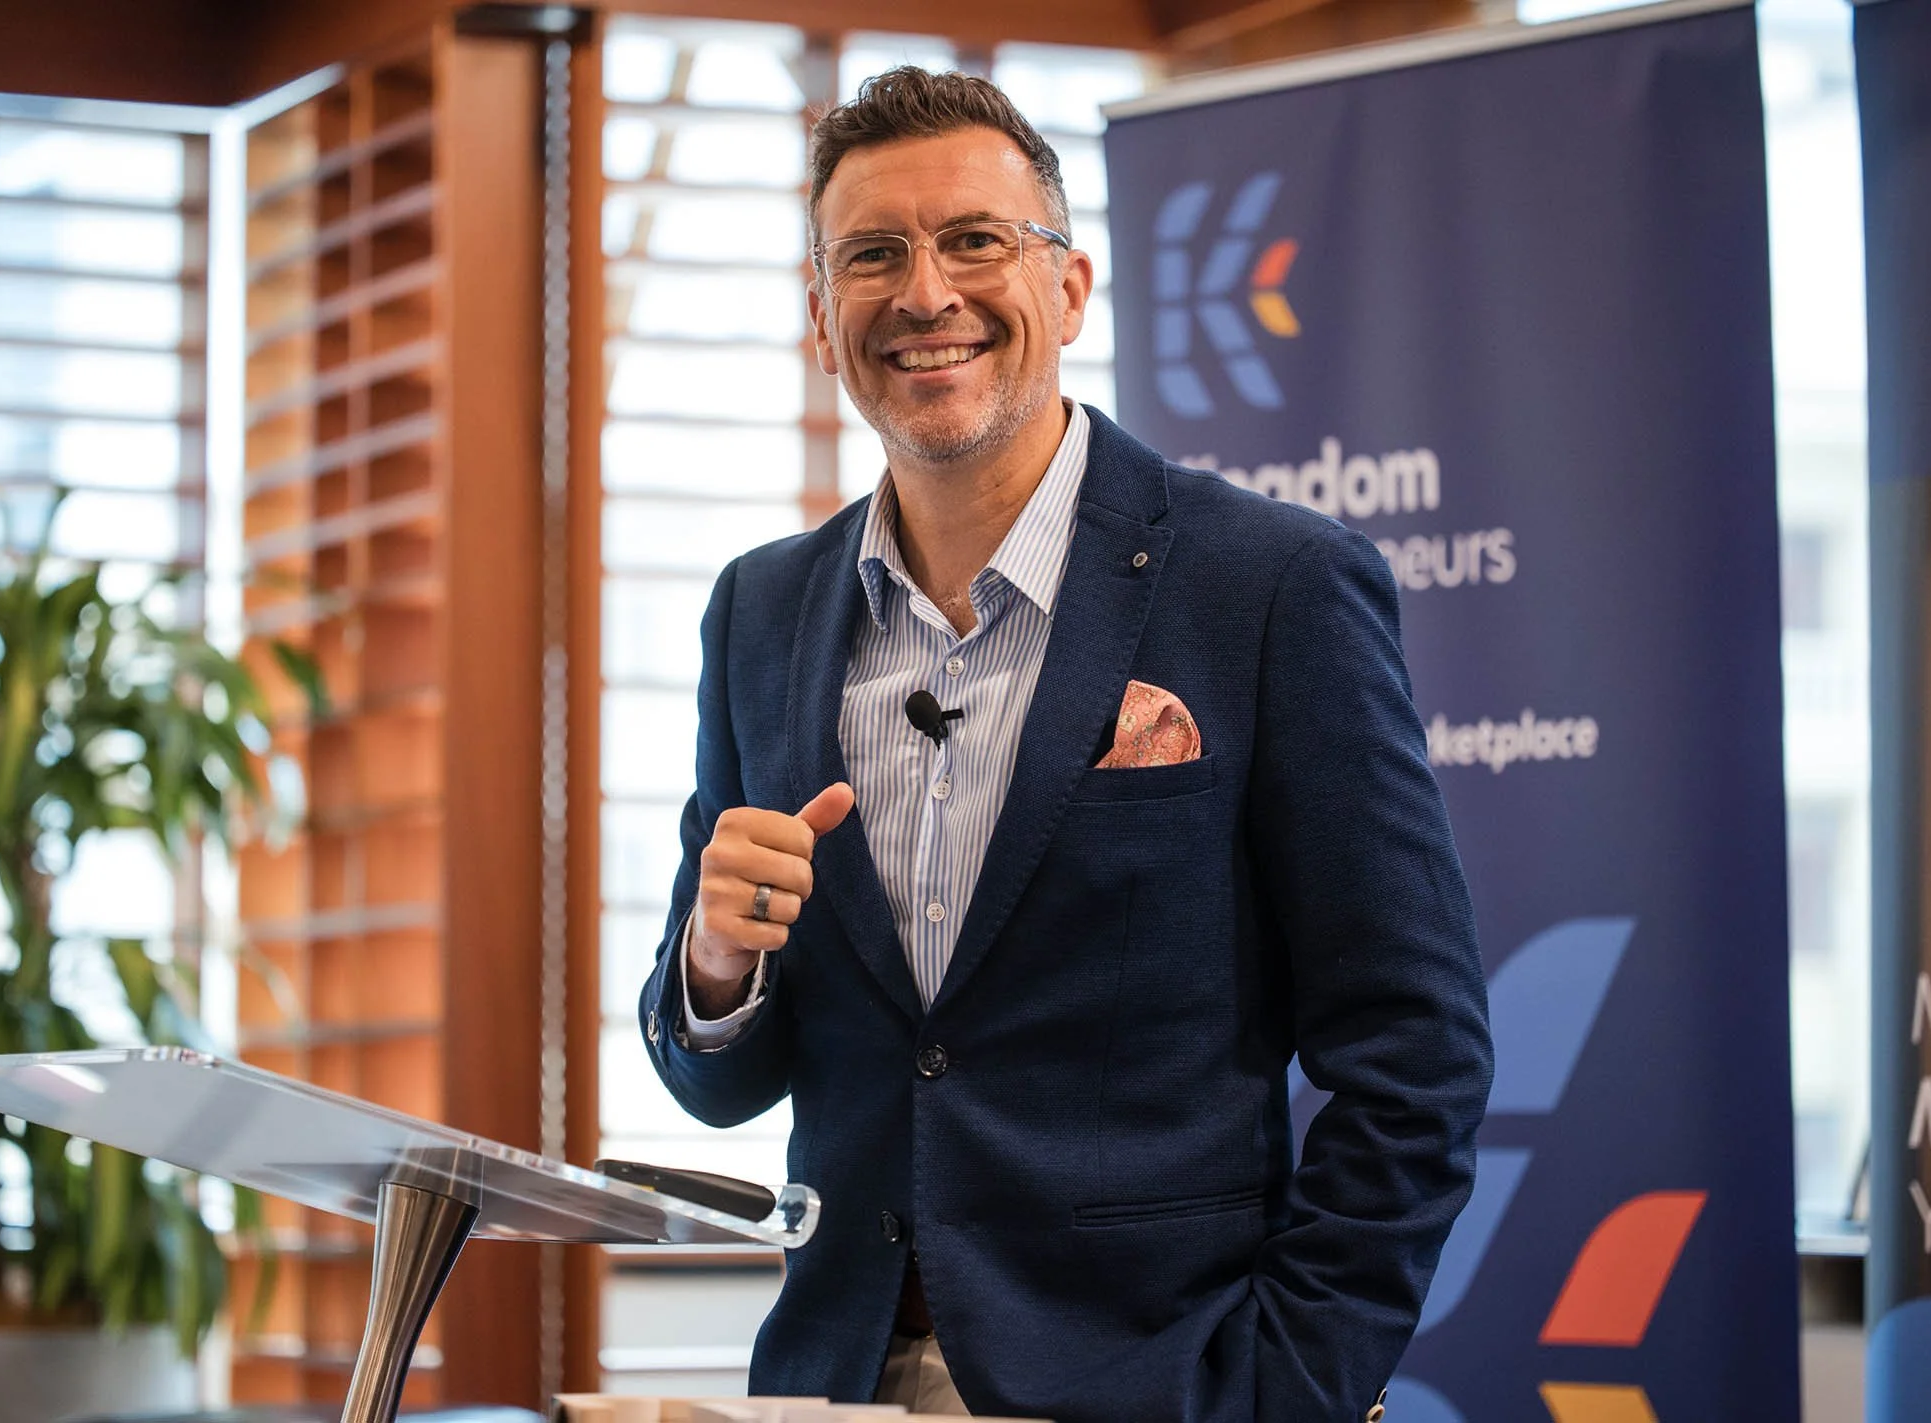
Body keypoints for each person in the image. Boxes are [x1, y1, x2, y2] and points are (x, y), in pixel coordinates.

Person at [638, 66, 1493, 1423]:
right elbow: (719, 1080)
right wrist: (715, 960)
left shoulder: (1267, 585)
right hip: (836, 1377)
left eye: (974, 239)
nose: (924, 293)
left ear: (1070, 288)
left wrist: (1284, 1383)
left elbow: (1416, 1047)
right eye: (872, 254)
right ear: (819, 316)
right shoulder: (760, 609)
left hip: (1166, 1379)